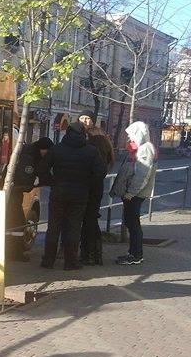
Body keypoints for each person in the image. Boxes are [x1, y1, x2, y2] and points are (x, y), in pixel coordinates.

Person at [41, 119, 106, 270]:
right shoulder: (91, 151)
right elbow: (100, 172)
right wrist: (88, 183)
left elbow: (42, 169)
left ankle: (48, 260)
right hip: (80, 194)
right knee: (74, 227)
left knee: (53, 226)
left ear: (67, 133)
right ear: (83, 134)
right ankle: (71, 262)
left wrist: (52, 181)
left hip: (58, 192)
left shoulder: (57, 149)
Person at [110, 121, 157, 265]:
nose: (129, 137)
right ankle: (134, 253)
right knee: (131, 222)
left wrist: (130, 193)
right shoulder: (140, 148)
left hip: (135, 195)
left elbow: (142, 174)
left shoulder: (145, 149)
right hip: (133, 194)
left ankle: (136, 255)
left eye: (131, 134)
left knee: (133, 223)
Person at [5, 137, 53, 262]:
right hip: (13, 192)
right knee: (17, 223)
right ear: (43, 150)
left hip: (13, 192)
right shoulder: (29, 157)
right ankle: (14, 253)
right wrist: (36, 182)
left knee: (15, 222)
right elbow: (25, 180)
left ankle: (13, 252)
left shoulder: (29, 152)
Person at [78, 114, 115, 265]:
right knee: (91, 220)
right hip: (97, 188)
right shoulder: (105, 148)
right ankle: (95, 254)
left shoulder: (91, 148)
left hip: (88, 187)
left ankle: (88, 254)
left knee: (86, 221)